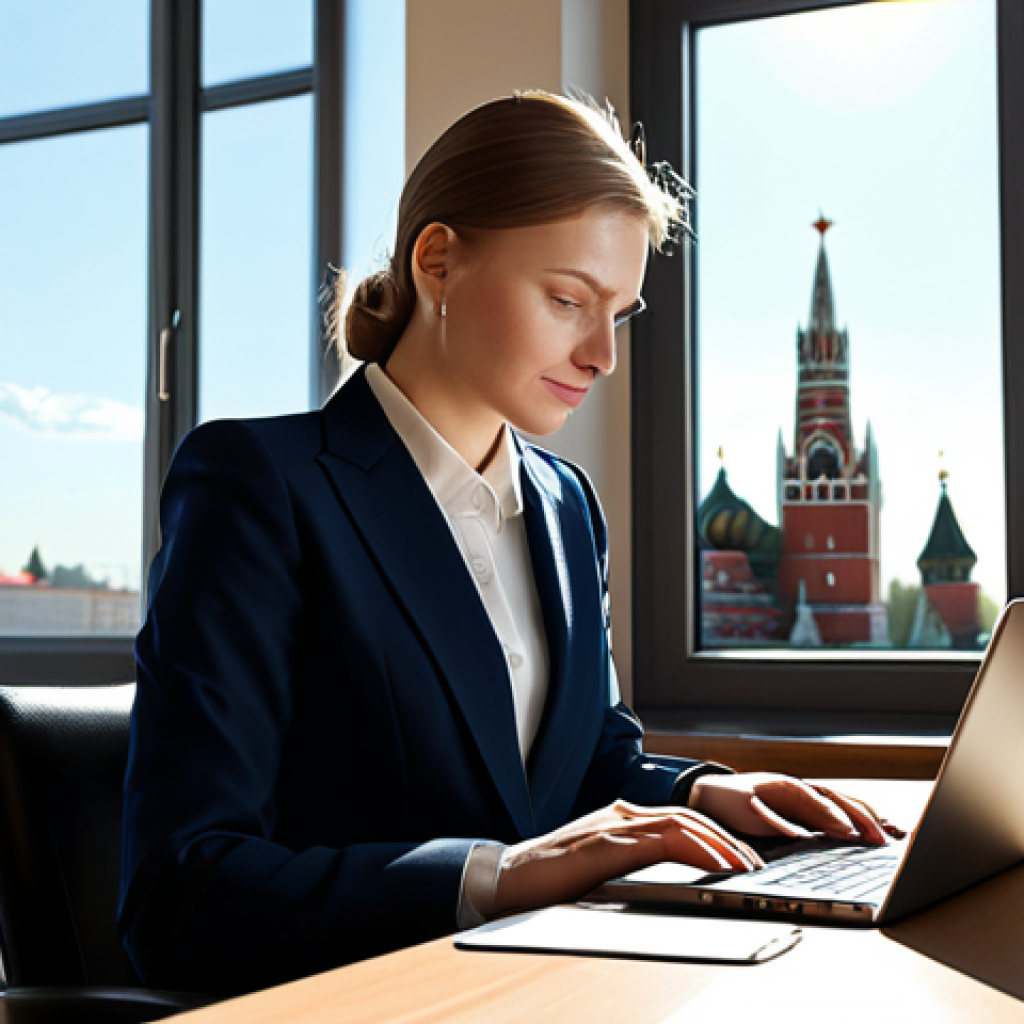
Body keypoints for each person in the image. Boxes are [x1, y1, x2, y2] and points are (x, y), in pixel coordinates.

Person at [119, 91, 897, 997]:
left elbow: (581, 768)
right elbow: (180, 895)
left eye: (623, 313)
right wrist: (496, 875)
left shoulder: (568, 507)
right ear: (439, 262)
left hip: (554, 993)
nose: (603, 353)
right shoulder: (258, 483)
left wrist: (698, 793)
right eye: (568, 298)